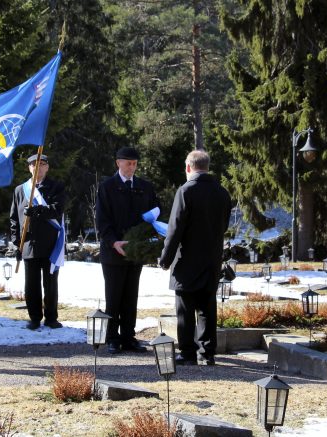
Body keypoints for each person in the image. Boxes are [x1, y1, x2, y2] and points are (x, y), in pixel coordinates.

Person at [159, 150, 231, 366]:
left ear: (188, 167)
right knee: (208, 308)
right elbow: (224, 226)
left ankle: (188, 353)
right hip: (211, 259)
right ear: (207, 167)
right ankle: (207, 353)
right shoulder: (222, 193)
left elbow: (175, 229)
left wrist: (165, 258)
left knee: (185, 309)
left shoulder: (185, 191)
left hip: (187, 260)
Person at [96, 146, 160, 354]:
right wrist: (114, 242)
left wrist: (146, 241)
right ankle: (112, 338)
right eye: (127, 163)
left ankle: (128, 336)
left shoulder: (144, 187)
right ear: (118, 163)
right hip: (114, 251)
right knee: (114, 296)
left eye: (134, 163)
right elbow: (102, 221)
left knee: (131, 296)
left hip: (136, 251)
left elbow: (155, 213)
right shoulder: (107, 187)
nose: (131, 167)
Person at [9, 154, 66, 330]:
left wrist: (38, 210)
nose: (38, 167)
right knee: (31, 284)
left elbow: (58, 209)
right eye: (34, 164)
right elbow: (14, 219)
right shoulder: (20, 190)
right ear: (29, 168)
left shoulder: (56, 187)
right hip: (28, 244)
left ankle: (51, 317)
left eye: (42, 164)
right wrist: (16, 243)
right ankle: (34, 317)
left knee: (50, 283)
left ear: (47, 167)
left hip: (50, 243)